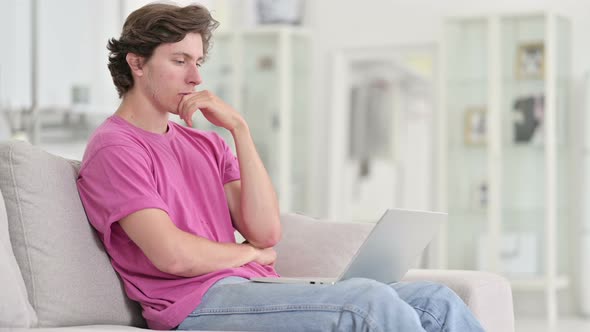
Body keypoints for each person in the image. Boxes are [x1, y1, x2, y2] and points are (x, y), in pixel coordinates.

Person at [76, 3, 485, 332]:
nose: (196, 76)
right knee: (367, 304)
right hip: (196, 303)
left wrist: (240, 129)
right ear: (137, 63)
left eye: (198, 61)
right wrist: (245, 255)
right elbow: (172, 256)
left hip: (253, 286)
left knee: (436, 299)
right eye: (180, 61)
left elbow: (267, 232)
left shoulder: (204, 142)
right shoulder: (115, 148)